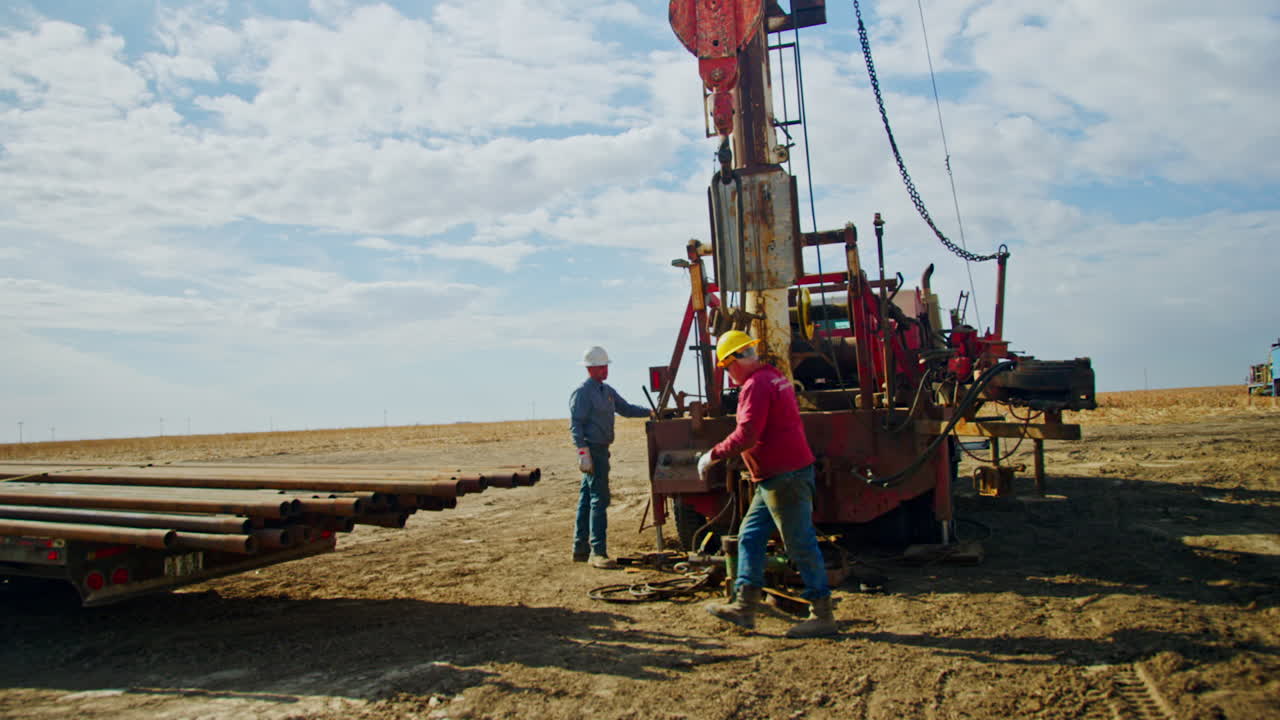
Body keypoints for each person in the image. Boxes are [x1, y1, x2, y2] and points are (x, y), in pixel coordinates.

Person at [698, 330, 836, 638]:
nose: (727, 373)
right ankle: (744, 606)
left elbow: (747, 435)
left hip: (784, 477)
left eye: (726, 366)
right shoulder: (773, 375)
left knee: (800, 543)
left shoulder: (756, 385)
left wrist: (714, 454)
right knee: (749, 535)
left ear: (735, 360)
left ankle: (822, 613)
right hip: (777, 476)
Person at [569, 345, 651, 569]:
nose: (606, 370)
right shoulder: (583, 392)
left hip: (602, 450)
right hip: (593, 451)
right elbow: (576, 425)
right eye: (601, 367)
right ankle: (598, 552)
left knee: (587, 499)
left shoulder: (606, 391)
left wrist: (652, 411)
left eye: (606, 366)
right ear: (591, 368)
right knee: (599, 499)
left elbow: (626, 409)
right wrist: (583, 453)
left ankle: (580, 549)